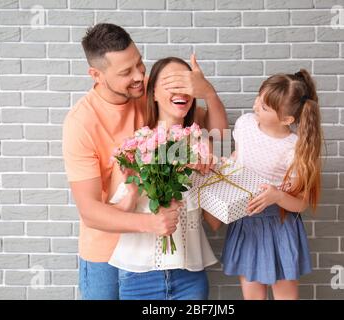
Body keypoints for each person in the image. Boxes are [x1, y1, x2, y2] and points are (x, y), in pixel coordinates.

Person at [62, 23, 228, 300]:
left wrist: (207, 92)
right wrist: (151, 223)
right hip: (105, 249)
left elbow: (213, 133)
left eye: (139, 63)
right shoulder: (81, 122)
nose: (139, 76)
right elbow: (90, 211)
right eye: (126, 72)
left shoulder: (150, 90)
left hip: (163, 254)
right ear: (96, 75)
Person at [108, 57, 222, 300]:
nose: (181, 91)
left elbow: (215, 221)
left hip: (189, 276)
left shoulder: (200, 146)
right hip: (138, 276)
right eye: (172, 83)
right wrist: (134, 189)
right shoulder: (135, 145)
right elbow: (115, 217)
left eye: (187, 85)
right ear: (154, 94)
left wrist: (216, 175)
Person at [221, 69, 323, 300]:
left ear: (287, 119)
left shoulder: (294, 148)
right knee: (252, 296)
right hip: (246, 221)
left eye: (265, 107)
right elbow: (241, 155)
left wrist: (277, 196)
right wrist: (227, 164)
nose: (256, 105)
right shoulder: (245, 123)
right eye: (259, 97)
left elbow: (301, 204)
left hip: (280, 225)